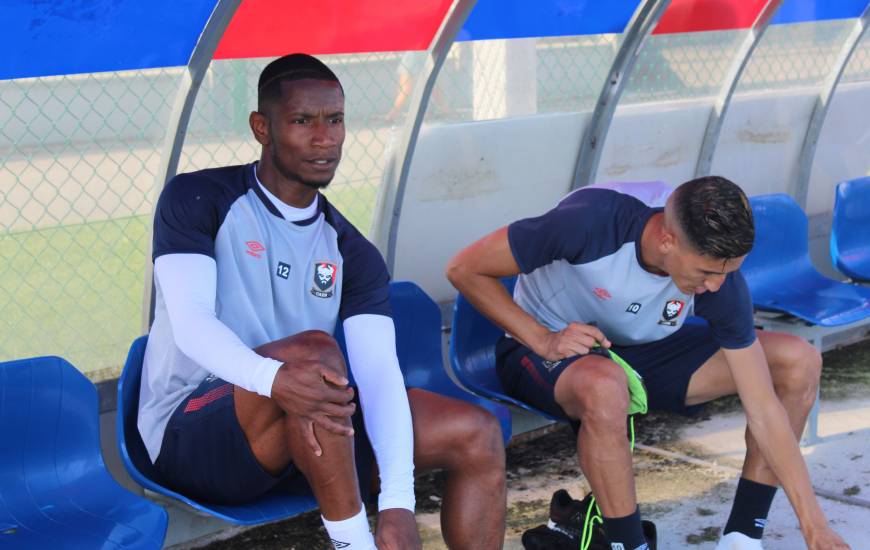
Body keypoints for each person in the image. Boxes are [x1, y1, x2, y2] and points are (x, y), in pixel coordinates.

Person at [137, 53, 506, 550]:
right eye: (302, 121)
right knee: (314, 354)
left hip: (304, 424)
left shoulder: (353, 252)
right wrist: (274, 381)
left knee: (476, 432)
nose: (324, 138)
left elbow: (378, 376)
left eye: (334, 120)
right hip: (193, 429)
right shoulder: (199, 198)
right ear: (261, 127)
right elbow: (191, 324)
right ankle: (352, 543)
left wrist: (398, 505)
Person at [446, 177, 850, 550]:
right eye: (707, 272)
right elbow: (464, 268)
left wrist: (813, 523)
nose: (716, 286)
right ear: (667, 240)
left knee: (797, 359)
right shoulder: (590, 223)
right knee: (605, 383)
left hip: (638, 350)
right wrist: (542, 338)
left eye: (728, 272)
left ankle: (743, 538)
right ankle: (629, 544)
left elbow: (763, 408)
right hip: (541, 350)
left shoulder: (721, 279)